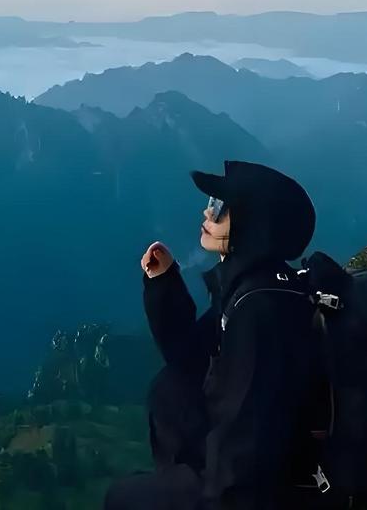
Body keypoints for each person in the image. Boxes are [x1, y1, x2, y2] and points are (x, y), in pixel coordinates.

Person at [104, 160, 328, 510]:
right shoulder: (249, 286)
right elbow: (186, 355)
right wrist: (164, 283)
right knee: (171, 388)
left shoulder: (259, 311)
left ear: (253, 225)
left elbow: (245, 440)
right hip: (243, 454)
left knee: (120, 499)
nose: (208, 212)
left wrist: (206, 495)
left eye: (221, 207)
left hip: (264, 481)